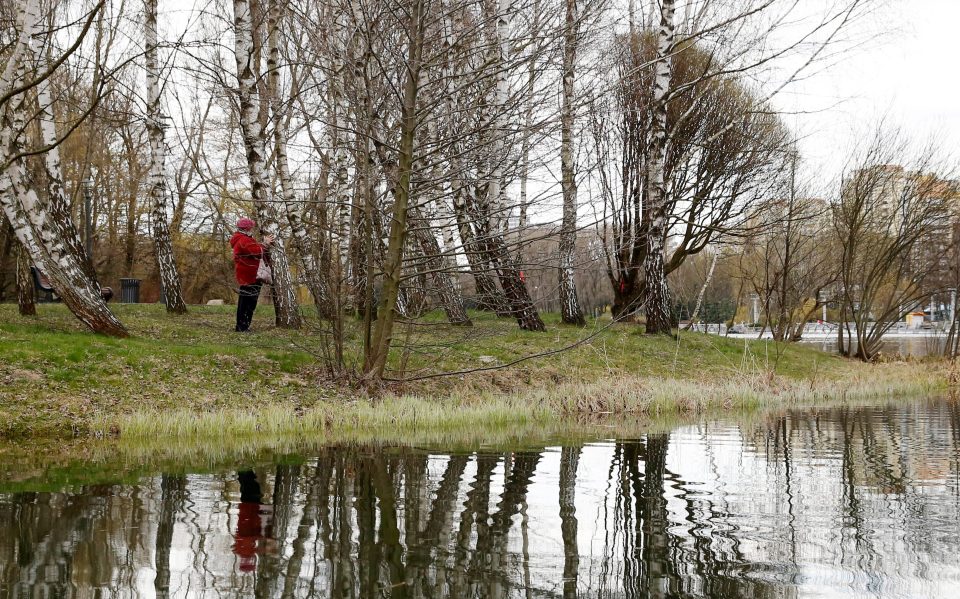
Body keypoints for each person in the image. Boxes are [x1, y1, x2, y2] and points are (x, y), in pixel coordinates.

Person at [230, 218, 274, 332]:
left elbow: (254, 249)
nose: (253, 229)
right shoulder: (243, 240)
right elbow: (256, 251)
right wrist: (265, 243)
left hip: (247, 274)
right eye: (251, 227)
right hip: (250, 275)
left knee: (246, 302)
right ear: (247, 228)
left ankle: (242, 326)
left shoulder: (242, 238)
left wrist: (263, 245)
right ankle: (242, 327)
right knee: (248, 303)